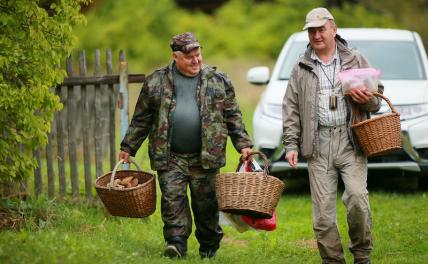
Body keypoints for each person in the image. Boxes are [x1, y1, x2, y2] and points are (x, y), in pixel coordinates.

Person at [119, 32, 253, 259]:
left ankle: (209, 247)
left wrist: (243, 144)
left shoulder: (218, 80)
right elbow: (142, 118)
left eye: (198, 54)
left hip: (206, 157)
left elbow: (233, 116)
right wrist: (128, 146)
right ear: (175, 57)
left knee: (206, 206)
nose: (196, 60)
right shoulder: (156, 82)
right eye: (189, 56)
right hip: (170, 157)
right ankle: (176, 244)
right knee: (173, 202)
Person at [282, 7, 383, 264]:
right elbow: (291, 108)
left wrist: (368, 99)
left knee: (358, 199)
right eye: (312, 31)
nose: (316, 35)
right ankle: (332, 260)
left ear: (334, 29)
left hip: (351, 141)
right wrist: (291, 144)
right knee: (323, 215)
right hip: (317, 143)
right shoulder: (300, 67)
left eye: (321, 29)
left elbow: (377, 99)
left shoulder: (355, 58)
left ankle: (361, 255)